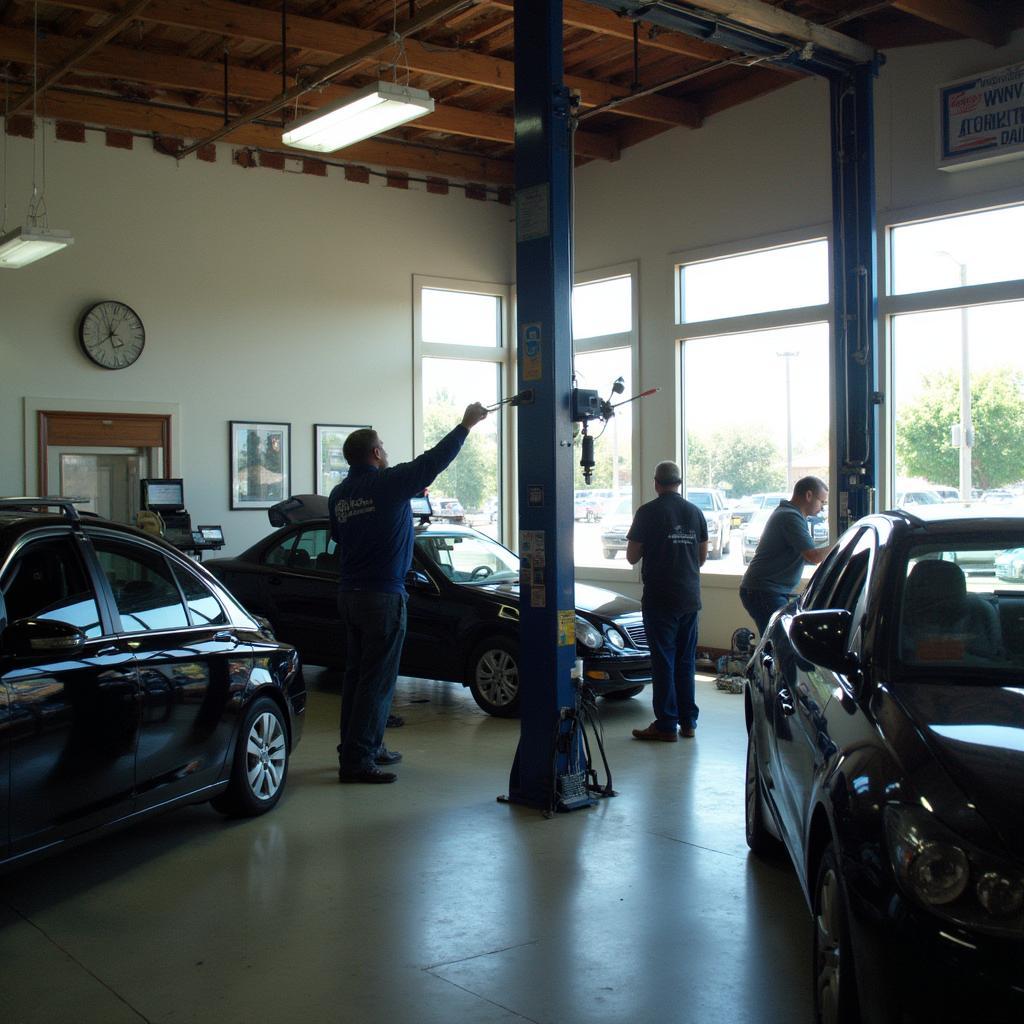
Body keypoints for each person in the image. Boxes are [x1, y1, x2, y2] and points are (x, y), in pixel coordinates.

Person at [329, 404, 488, 783]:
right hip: (382, 597)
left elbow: (339, 537)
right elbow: (434, 460)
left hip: (349, 594)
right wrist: (465, 425)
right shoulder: (388, 483)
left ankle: (360, 745)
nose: (386, 450)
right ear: (375, 454)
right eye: (382, 445)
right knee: (378, 679)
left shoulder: (339, 494)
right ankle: (358, 760)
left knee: (356, 675)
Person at [625, 461, 708, 742]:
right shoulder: (695, 512)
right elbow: (702, 557)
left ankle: (665, 724)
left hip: (660, 599)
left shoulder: (647, 512)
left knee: (663, 661)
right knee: (686, 662)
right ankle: (688, 723)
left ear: (656, 483)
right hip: (689, 598)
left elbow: (632, 556)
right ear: (679, 482)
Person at [739, 475, 830, 636]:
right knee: (781, 642)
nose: (822, 508)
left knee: (776, 641)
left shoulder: (792, 514)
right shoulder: (790, 516)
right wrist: (842, 543)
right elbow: (813, 556)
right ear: (809, 495)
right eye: (821, 502)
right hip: (764, 590)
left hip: (768, 590)